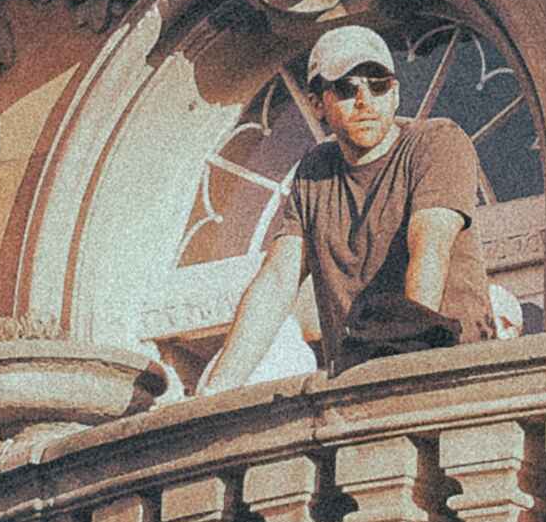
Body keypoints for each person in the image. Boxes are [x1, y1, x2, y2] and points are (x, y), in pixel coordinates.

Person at [201, 19, 493, 385]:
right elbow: (277, 280)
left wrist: (408, 365)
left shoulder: (436, 141)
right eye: (346, 89)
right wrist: (215, 389)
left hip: (446, 373)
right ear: (316, 104)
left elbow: (429, 245)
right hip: (357, 384)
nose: (365, 101)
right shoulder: (314, 171)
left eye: (378, 85)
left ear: (395, 93)